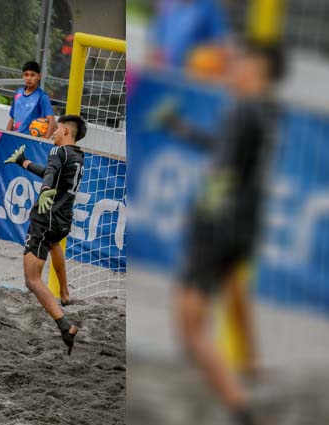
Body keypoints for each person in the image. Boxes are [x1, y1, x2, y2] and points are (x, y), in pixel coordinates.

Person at [152, 39, 284, 425]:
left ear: (258, 69)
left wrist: (199, 222)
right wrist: (180, 127)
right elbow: (224, 149)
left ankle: (243, 413)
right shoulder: (268, 112)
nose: (233, 69)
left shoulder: (242, 110)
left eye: (241, 63)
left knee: (189, 330)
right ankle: (252, 366)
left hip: (220, 226)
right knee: (234, 286)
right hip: (246, 226)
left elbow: (219, 172)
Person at [2, 115, 87, 355]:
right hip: (62, 219)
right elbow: (50, 172)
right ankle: (65, 294)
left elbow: (50, 174)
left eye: (57, 129)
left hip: (45, 217)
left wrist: (47, 190)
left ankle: (64, 325)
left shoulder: (57, 151)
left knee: (32, 280)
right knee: (54, 244)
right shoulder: (78, 155)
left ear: (67, 132)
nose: (53, 132)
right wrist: (23, 162)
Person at [7, 61, 56, 138]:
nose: (29, 78)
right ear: (23, 76)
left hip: (30, 141)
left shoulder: (42, 97)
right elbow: (12, 118)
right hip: (15, 138)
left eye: (32, 75)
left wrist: (43, 143)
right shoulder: (18, 93)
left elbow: (52, 122)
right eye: (26, 75)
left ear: (39, 76)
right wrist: (6, 136)